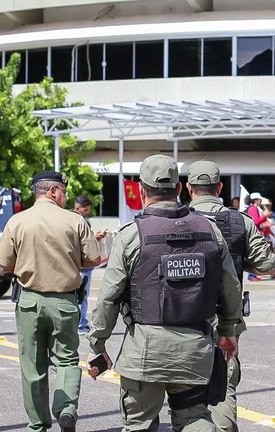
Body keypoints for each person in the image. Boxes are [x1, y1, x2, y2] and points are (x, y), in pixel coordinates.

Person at [87, 155, 243, 432]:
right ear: (180, 189)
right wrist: (228, 330)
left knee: (140, 425)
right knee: (194, 419)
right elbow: (230, 286)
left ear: (141, 191)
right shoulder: (210, 231)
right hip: (195, 347)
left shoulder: (130, 235)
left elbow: (109, 298)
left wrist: (97, 345)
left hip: (145, 352)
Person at [0, 171, 102, 432]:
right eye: (64, 192)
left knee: (33, 366)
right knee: (67, 361)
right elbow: (94, 259)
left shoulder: (17, 221)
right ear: (54, 192)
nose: (66, 197)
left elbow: (3, 265)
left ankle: (38, 425)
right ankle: (65, 409)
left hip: (29, 303)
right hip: (66, 302)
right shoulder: (75, 221)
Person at [186, 160, 275, 432]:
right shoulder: (241, 221)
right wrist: (237, 261)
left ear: (189, 188)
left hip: (181, 315)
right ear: (220, 187)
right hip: (226, 315)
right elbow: (268, 265)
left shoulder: (174, 219)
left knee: (185, 388)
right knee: (223, 383)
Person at [72, 195, 107, 335]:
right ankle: (80, 325)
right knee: (81, 296)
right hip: (82, 264)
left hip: (79, 264)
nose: (87, 212)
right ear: (77, 208)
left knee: (78, 296)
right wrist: (95, 238)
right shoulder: (77, 221)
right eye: (85, 210)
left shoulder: (76, 220)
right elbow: (80, 242)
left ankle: (78, 324)